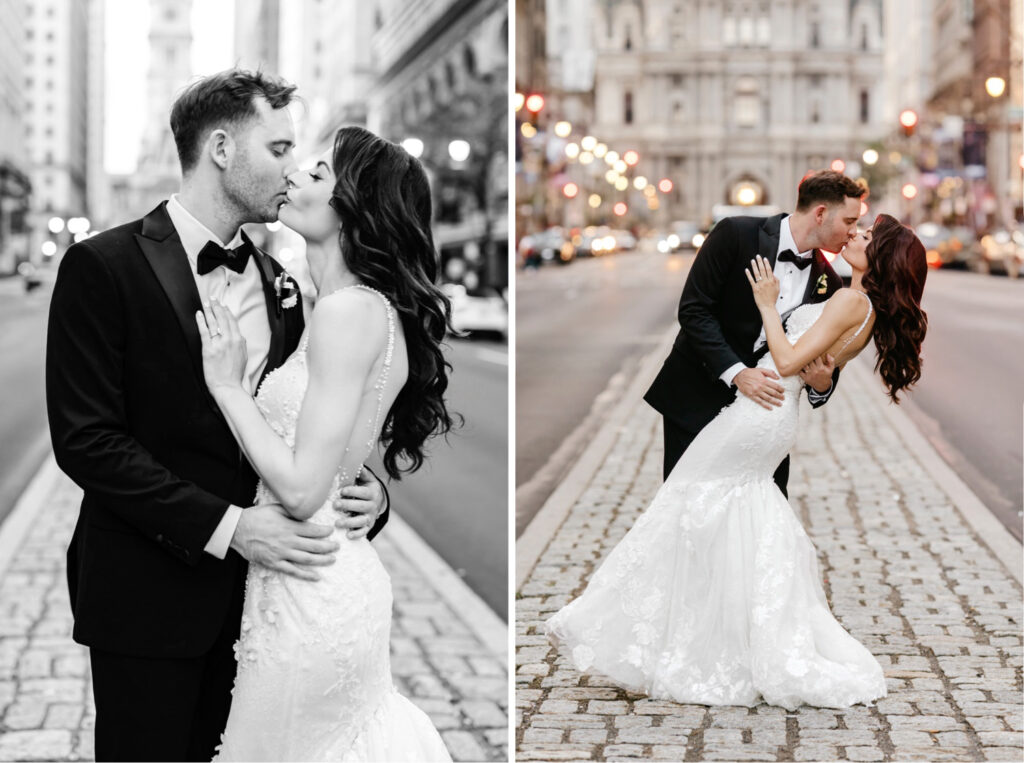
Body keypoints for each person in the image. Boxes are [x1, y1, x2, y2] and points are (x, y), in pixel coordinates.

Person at [45, 70, 389, 762]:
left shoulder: (286, 287)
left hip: (268, 613)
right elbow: (86, 441)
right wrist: (229, 527)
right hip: (147, 603)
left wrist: (368, 489)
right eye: (281, 148)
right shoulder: (101, 266)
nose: (294, 171)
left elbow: (309, 420)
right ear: (223, 149)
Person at [547, 213, 928, 710]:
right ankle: (722, 636)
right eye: (855, 226)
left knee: (686, 504)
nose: (856, 234)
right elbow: (818, 368)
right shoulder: (862, 307)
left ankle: (666, 636)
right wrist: (814, 376)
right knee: (729, 514)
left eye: (867, 235)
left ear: (879, 258)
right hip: (767, 415)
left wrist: (768, 305)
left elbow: (791, 362)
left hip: (759, 410)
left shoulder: (848, 298)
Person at [203, 125, 455, 761]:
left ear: (356, 208)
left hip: (310, 590)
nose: (293, 177)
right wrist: (365, 484)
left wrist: (229, 387)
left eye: (317, 175)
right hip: (318, 575)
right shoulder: (353, 309)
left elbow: (301, 487)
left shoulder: (348, 314)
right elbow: (341, 455)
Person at [644, 170, 867, 492]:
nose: (853, 231)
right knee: (687, 507)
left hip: (763, 418)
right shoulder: (735, 234)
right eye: (849, 221)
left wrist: (822, 384)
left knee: (760, 513)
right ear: (820, 214)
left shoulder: (830, 284)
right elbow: (694, 309)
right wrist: (736, 372)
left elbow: (825, 363)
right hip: (698, 397)